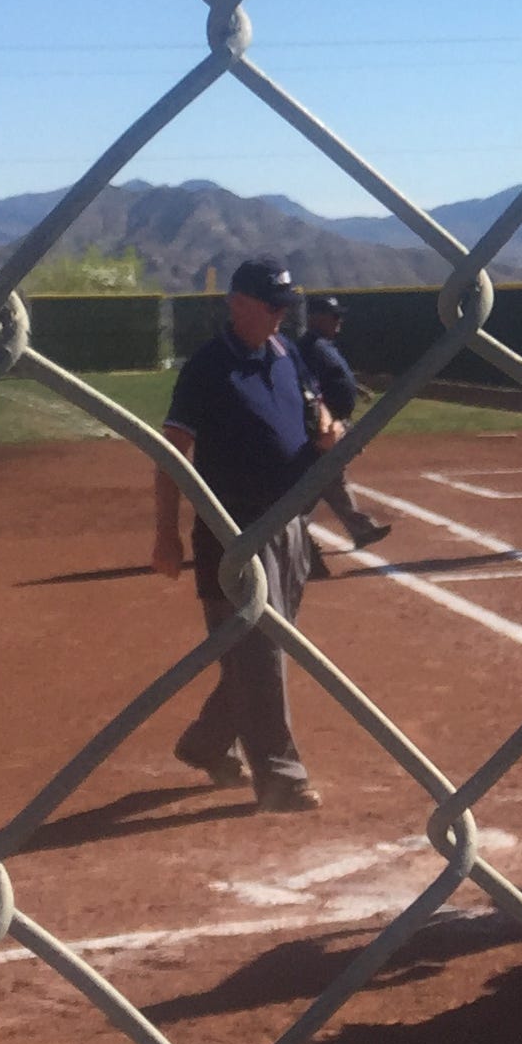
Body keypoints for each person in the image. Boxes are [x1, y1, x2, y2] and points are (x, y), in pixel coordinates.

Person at [152, 257, 340, 815]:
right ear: (238, 304)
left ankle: (207, 742)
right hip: (231, 536)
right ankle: (280, 776)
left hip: (290, 525)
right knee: (260, 653)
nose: (283, 314)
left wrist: (328, 425)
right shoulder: (209, 368)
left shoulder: (286, 354)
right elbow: (170, 453)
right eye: (272, 304)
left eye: (286, 304)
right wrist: (166, 534)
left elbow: (315, 404)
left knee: (258, 651)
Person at [292, 295, 389, 577]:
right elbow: (308, 385)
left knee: (332, 478)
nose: (339, 322)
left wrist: (356, 389)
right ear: (316, 318)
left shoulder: (323, 347)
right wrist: (324, 425)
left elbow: (335, 377)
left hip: (336, 425)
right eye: (334, 316)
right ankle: (297, 537)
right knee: (315, 483)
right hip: (323, 428)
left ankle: (361, 529)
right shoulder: (309, 348)